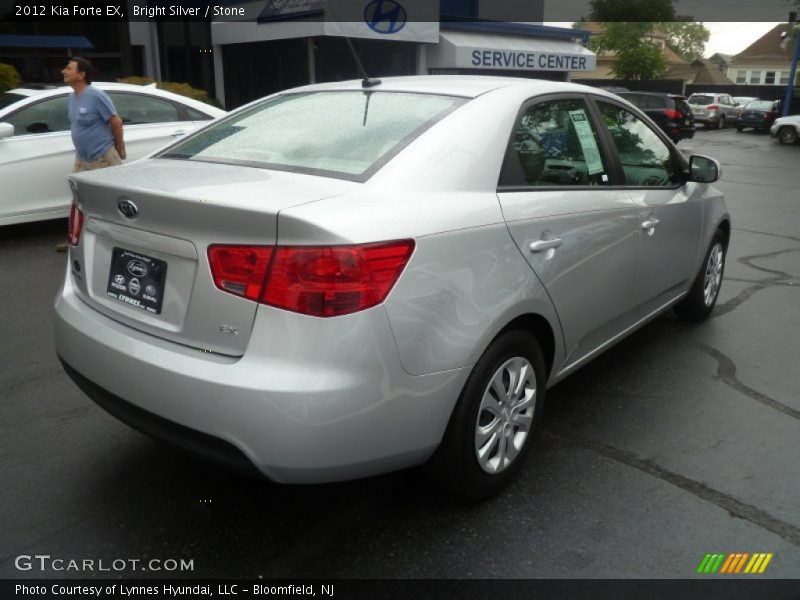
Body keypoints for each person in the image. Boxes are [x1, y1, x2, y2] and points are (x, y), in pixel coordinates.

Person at [57, 57, 126, 251]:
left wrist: (119, 147)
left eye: (69, 68)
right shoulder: (71, 98)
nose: (64, 71)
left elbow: (116, 122)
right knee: (78, 202)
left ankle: (115, 245)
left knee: (109, 204)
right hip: (82, 159)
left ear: (81, 74)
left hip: (102, 159)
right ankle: (75, 241)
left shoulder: (96, 95)